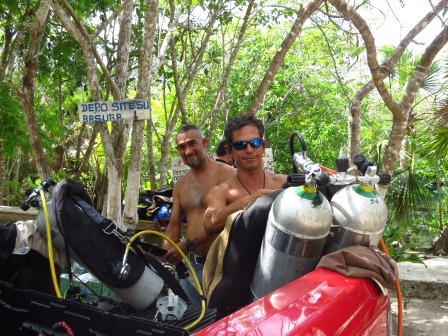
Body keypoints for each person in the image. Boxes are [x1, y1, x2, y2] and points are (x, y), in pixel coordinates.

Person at [162, 124, 236, 304]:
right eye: (182, 147)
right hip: (192, 267)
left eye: (192, 144)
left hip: (222, 265)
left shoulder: (228, 174)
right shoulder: (180, 185)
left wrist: (188, 245)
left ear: (204, 143)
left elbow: (232, 219)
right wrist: (164, 260)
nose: (188, 151)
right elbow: (173, 225)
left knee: (221, 320)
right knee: (196, 320)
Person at [203, 115, 287, 236]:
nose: (249, 149)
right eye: (240, 145)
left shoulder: (282, 182)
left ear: (263, 146)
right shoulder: (221, 192)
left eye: (255, 143)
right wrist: (249, 202)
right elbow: (209, 225)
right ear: (229, 151)